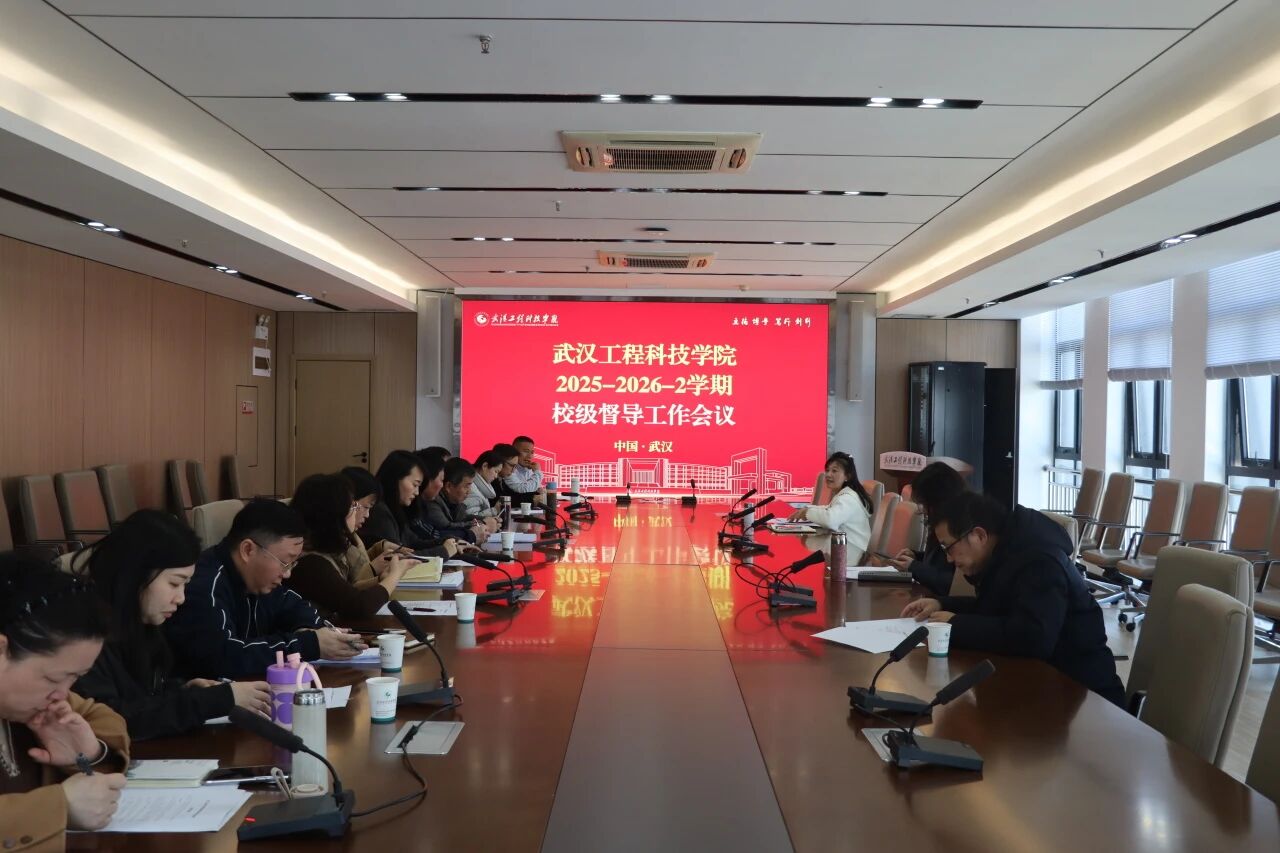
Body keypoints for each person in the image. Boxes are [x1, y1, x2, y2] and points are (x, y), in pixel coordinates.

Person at [901, 492, 1125, 706]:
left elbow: (1032, 638)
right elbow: (996, 609)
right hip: (1041, 687)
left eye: (948, 547)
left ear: (979, 535)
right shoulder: (1006, 552)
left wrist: (955, 625)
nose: (949, 559)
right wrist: (942, 604)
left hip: (1084, 696)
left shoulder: (1040, 562)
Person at [72, 511, 272, 740]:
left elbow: (141, 697)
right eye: (174, 583)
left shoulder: (140, 624)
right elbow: (111, 721)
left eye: (185, 585)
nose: (181, 598)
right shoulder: (83, 635)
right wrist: (212, 700)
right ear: (136, 574)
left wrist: (181, 691)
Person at [0, 554, 130, 843]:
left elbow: (103, 718)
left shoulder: (37, 703)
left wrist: (88, 755)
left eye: (76, 678)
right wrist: (57, 808)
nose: (63, 693)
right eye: (53, 678)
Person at [164, 500, 367, 679]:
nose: (287, 574)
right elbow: (225, 656)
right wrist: (306, 644)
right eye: (285, 562)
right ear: (248, 550)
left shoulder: (258, 580)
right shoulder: (204, 586)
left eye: (293, 564)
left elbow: (294, 605)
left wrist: (311, 630)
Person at [286, 473, 413, 620]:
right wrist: (394, 575)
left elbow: (347, 591)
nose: (358, 511)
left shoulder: (327, 549)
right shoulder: (311, 563)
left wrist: (381, 579)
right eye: (353, 506)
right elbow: (359, 606)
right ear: (333, 514)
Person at [887, 462, 967, 595]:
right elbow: (939, 560)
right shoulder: (941, 520)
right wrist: (917, 556)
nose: (923, 510)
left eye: (925, 503)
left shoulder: (961, 527)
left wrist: (914, 567)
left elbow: (953, 583)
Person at [358, 450, 456, 557]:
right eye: (415, 485)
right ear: (395, 479)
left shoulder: (395, 509)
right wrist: (444, 551)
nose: (417, 492)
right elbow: (396, 559)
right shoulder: (379, 512)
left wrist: (448, 542)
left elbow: (414, 543)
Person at [789, 452, 874, 564]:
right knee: (802, 541)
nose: (828, 475)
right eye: (827, 470)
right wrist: (806, 510)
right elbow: (828, 509)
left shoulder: (848, 498)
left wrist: (807, 512)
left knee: (799, 545)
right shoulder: (846, 494)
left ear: (847, 476)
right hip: (843, 548)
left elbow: (830, 520)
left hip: (849, 555)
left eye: (834, 471)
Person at [426, 458, 498, 543]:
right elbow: (446, 527)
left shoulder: (455, 502)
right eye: (466, 486)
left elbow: (463, 518)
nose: (469, 491)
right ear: (449, 486)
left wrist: (486, 519)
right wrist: (482, 523)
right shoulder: (433, 501)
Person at [502, 435, 545, 505]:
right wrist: (538, 472)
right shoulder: (508, 469)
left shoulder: (531, 469)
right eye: (526, 451)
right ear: (514, 452)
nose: (530, 456)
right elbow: (522, 489)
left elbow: (539, 490)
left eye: (532, 452)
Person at [464, 450, 504, 519]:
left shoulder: (479, 487)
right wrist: (494, 510)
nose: (496, 476)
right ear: (485, 466)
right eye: (496, 471)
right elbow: (472, 519)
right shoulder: (471, 488)